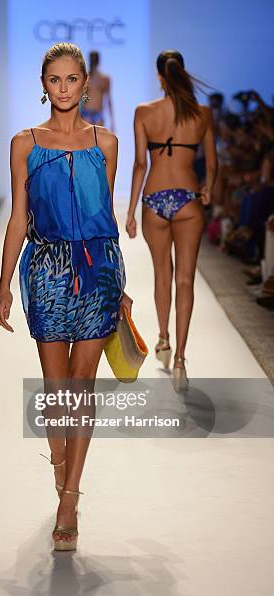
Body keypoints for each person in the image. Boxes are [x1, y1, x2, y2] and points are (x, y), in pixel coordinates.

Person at [0, 42, 132, 551]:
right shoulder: (24, 143)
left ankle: (69, 497)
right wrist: (4, 281)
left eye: (73, 79)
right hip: (47, 267)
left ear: (85, 84)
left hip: (97, 271)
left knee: (82, 386)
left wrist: (122, 288)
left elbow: (107, 221)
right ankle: (60, 461)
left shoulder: (108, 142)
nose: (65, 88)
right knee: (56, 391)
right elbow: (17, 217)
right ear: (43, 85)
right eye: (56, 80)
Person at [126, 50, 217, 392]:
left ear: (159, 77)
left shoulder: (144, 112)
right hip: (188, 201)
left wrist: (132, 209)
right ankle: (180, 357)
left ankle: (163, 339)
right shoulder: (202, 114)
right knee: (186, 280)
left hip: (154, 200)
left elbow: (139, 164)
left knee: (162, 274)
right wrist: (208, 188)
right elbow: (212, 162)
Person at [80, 50, 115, 131]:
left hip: (98, 114)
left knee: (98, 142)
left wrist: (112, 121)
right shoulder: (85, 78)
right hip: (86, 114)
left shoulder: (105, 79)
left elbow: (108, 100)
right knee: (87, 142)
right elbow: (80, 98)